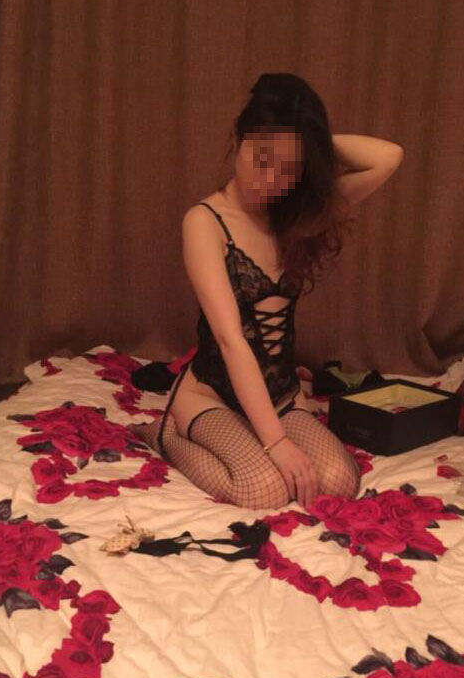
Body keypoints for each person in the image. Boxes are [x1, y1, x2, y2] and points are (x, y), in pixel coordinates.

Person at [130, 73, 365, 511]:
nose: (270, 179)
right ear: (238, 140)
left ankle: (255, 433)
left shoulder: (295, 216)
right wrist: (277, 444)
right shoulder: (205, 222)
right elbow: (230, 340)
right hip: (212, 394)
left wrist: (310, 142)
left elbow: (387, 159)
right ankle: (166, 434)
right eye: (261, 158)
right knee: (265, 490)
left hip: (279, 395)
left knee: (338, 481)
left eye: (290, 170)